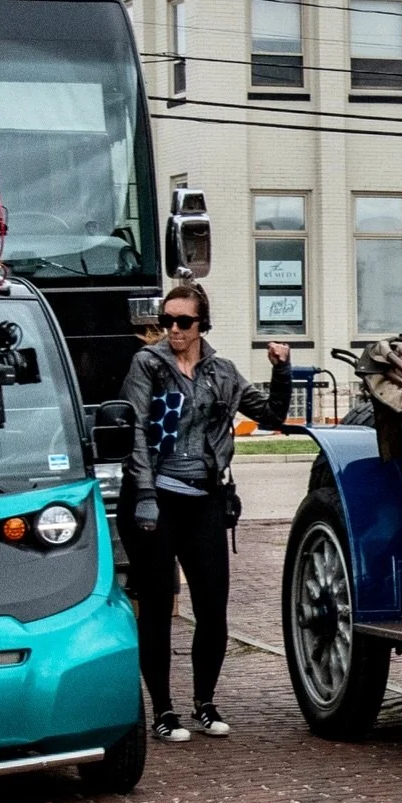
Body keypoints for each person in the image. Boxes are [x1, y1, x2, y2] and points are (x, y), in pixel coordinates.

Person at [118, 280, 291, 743]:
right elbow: (133, 429)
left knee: (212, 609)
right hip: (155, 498)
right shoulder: (147, 365)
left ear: (201, 324)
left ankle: (205, 703)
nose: (172, 329)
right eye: (167, 320)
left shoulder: (222, 371)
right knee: (156, 606)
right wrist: (145, 493)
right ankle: (162, 710)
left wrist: (281, 369)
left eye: (183, 321)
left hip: (205, 499)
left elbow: (272, 415)